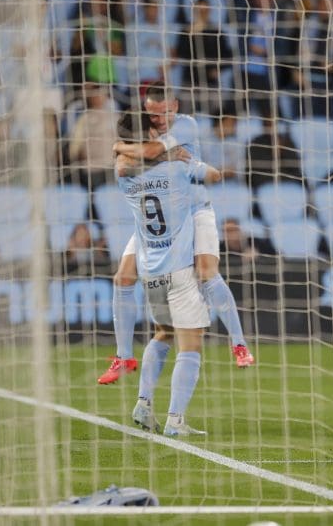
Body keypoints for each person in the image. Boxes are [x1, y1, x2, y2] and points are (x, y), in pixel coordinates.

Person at [99, 81, 254, 385]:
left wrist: (121, 146)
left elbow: (151, 151)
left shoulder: (186, 125)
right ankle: (124, 356)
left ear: (176, 108)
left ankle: (239, 343)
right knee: (123, 277)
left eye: (164, 114)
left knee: (207, 271)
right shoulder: (151, 131)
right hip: (162, 213)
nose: (159, 120)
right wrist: (130, 151)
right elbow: (125, 164)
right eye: (153, 116)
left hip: (195, 211)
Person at [114, 110, 219, 436]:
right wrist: (177, 156)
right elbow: (213, 176)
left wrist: (124, 147)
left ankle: (144, 403)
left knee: (163, 333)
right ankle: (175, 421)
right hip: (179, 267)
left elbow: (128, 162)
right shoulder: (176, 169)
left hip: (150, 270)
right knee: (191, 343)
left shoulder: (124, 174)